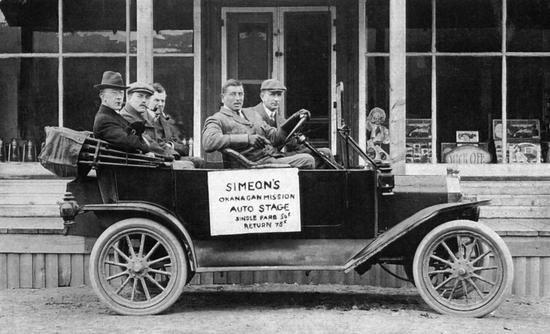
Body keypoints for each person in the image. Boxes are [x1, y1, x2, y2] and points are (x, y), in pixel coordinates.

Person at [202, 79, 315, 168]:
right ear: (223, 98)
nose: (238, 98)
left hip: (271, 158)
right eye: (233, 94)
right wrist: (247, 139)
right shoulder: (217, 119)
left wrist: (294, 119)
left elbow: (275, 137)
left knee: (320, 155)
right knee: (307, 160)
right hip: (253, 165)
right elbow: (209, 142)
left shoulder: (251, 113)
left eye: (240, 94)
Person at [245, 78, 335, 168]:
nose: (276, 99)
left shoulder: (281, 120)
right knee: (308, 159)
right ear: (262, 96)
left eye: (279, 95)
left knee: (325, 153)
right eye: (272, 95)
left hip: (279, 155)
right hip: (264, 160)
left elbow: (294, 144)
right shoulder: (252, 115)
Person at [147, 83, 204, 168]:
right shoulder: (144, 119)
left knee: (199, 161)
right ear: (148, 100)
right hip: (157, 158)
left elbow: (184, 148)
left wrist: (171, 145)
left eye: (163, 101)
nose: (160, 104)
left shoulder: (166, 121)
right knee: (188, 165)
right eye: (156, 100)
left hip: (171, 156)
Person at [92, 71, 151, 153]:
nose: (119, 97)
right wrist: (147, 148)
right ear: (102, 96)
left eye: (121, 93)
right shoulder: (104, 119)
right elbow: (130, 142)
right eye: (114, 93)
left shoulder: (113, 115)